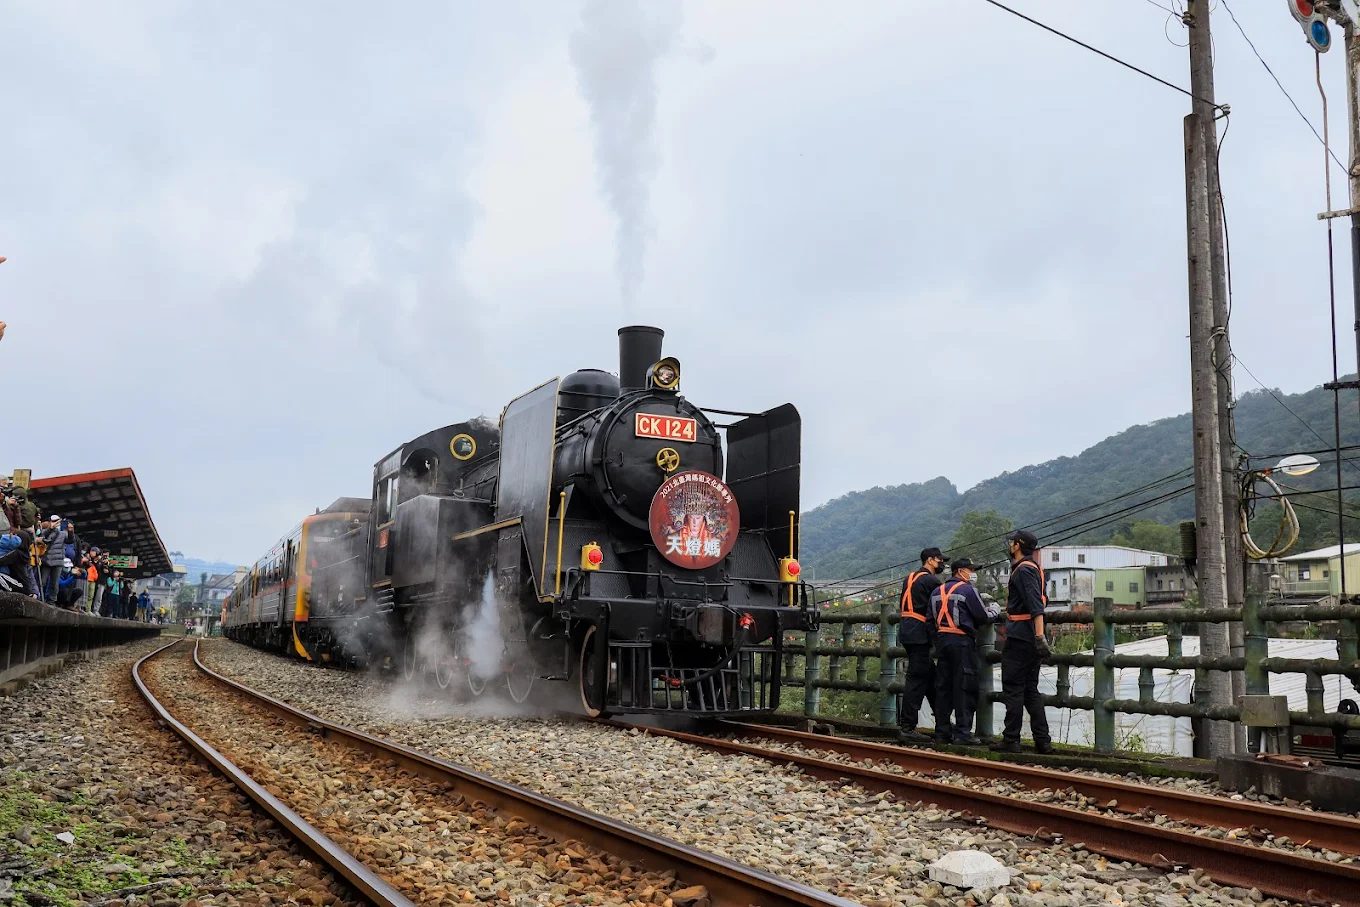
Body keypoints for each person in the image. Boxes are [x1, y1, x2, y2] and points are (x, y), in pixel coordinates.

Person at [929, 558, 1002, 745]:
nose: (972, 574)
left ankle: (942, 732)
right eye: (970, 570)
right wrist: (994, 609)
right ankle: (963, 733)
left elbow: (929, 620)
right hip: (961, 642)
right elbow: (982, 616)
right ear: (960, 571)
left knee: (944, 687)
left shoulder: (937, 591)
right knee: (965, 686)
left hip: (942, 642)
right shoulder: (967, 590)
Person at [993, 530, 1054, 754]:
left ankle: (1011, 739)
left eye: (1012, 542)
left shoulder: (1023, 570)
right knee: (1030, 690)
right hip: (1028, 634)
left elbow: (1035, 606)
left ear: (1018, 545)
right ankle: (1042, 741)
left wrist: (1039, 637)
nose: (1009, 545)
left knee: (1014, 688)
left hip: (1021, 635)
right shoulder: (1035, 569)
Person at [897, 547, 946, 743]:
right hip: (919, 632)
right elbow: (939, 606)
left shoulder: (909, 577)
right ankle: (907, 727)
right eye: (940, 560)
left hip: (906, 629)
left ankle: (943, 726)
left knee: (930, 677)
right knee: (917, 680)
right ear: (931, 560)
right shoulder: (932, 580)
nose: (942, 563)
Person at [40, 516, 67, 603]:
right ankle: (39, 597)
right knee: (42, 581)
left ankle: (52, 600)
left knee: (54, 583)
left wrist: (70, 530)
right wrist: (50, 529)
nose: (55, 523)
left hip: (58, 561)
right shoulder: (45, 531)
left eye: (57, 521)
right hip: (46, 560)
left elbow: (70, 539)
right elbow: (42, 538)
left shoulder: (63, 533)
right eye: (53, 521)